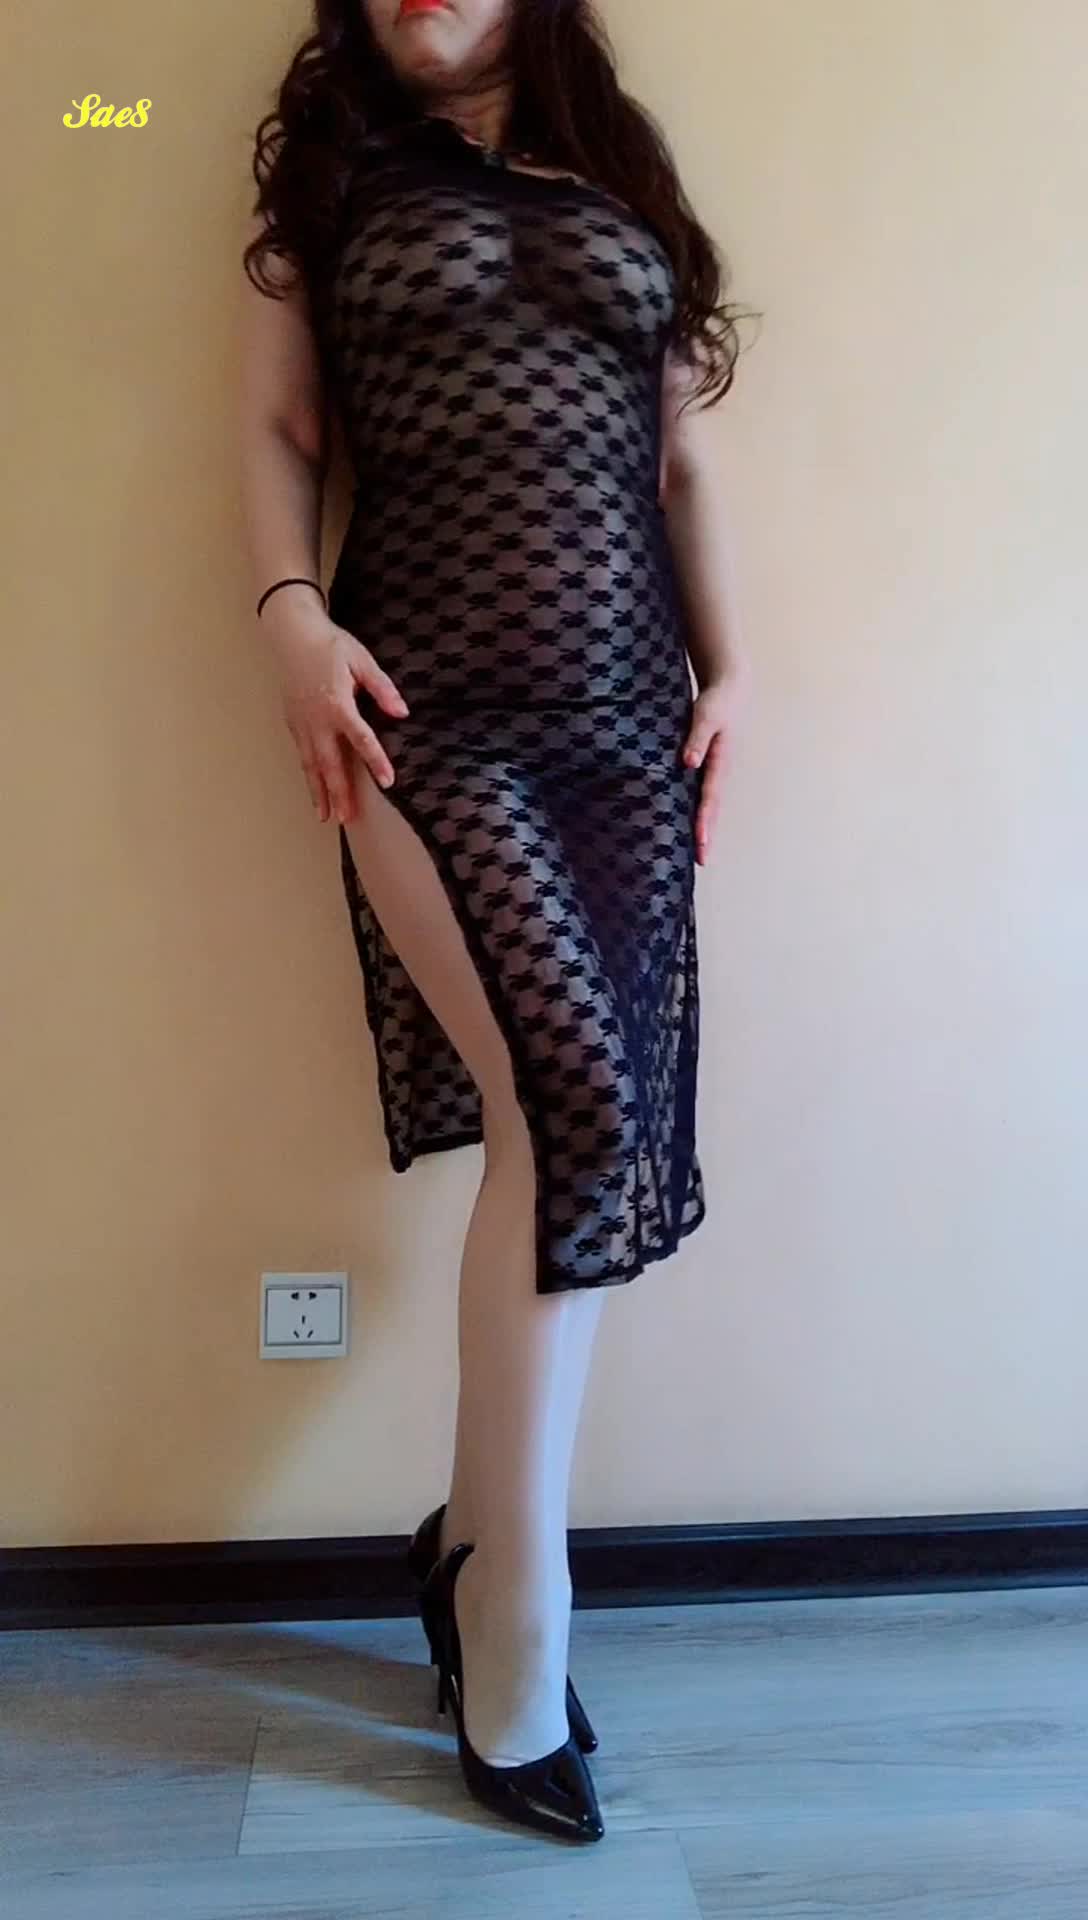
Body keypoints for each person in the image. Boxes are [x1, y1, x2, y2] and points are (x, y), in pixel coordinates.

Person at [239, 0, 750, 1845]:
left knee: (584, 1124)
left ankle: (471, 1557)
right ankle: (513, 1618)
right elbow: (282, 427)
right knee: (575, 1103)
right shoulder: (333, 175)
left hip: (625, 721)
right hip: (421, 709)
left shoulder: (619, 173)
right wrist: (291, 614)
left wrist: (736, 670)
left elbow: (679, 463)